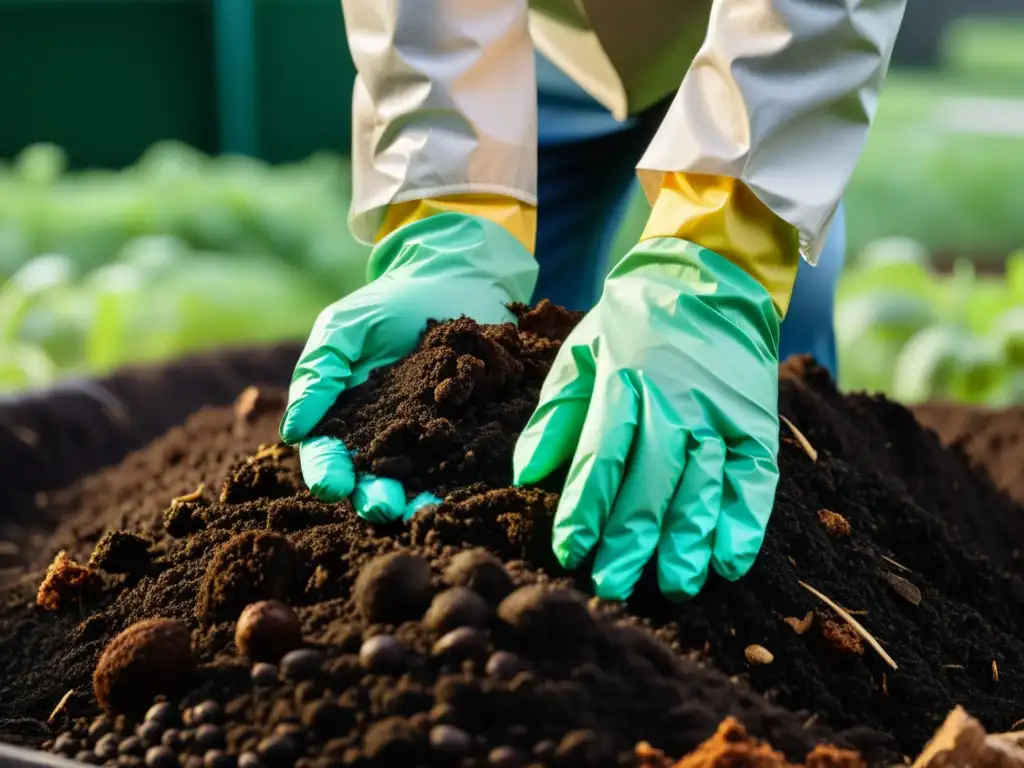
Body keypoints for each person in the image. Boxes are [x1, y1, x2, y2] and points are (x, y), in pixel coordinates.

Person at [281, 0, 907, 603]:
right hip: (527, 54)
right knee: (515, 367)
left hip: (751, 39)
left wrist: (727, 240)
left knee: (763, 371)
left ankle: (777, 571)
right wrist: (449, 213)